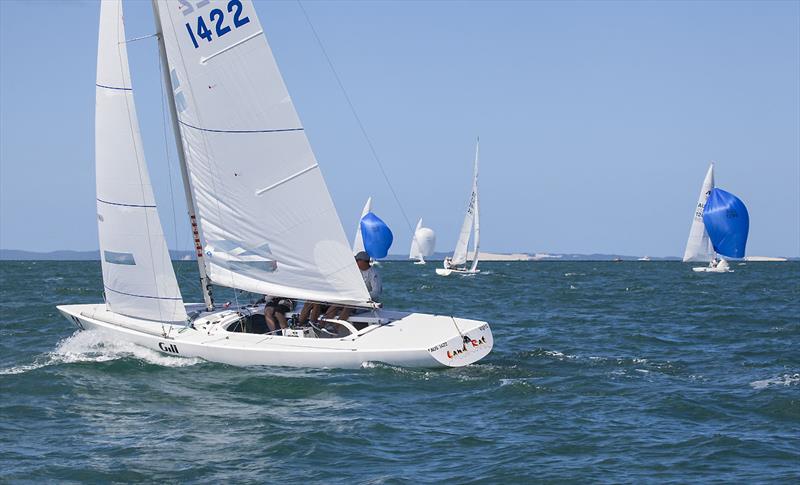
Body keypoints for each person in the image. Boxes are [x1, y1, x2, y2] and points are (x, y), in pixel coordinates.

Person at [323, 251, 382, 323]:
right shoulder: (357, 271)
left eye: (357, 260)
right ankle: (323, 325)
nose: (355, 262)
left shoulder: (374, 273)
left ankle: (335, 328)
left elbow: (376, 292)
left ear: (363, 261)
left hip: (368, 303)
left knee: (348, 306)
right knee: (336, 304)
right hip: (354, 299)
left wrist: (361, 296)